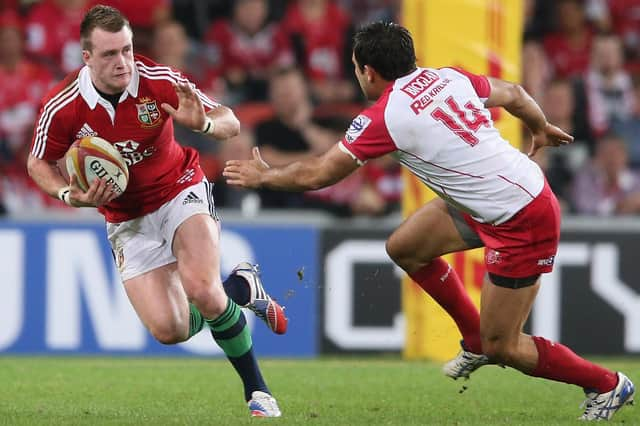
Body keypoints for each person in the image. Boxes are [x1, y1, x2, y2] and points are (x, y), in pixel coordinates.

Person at [223, 22, 636, 421]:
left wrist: (266, 177)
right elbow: (514, 93)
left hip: (521, 218)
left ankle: (606, 384)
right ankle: (471, 338)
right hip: (496, 198)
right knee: (405, 248)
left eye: (355, 68)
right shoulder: (448, 77)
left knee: (504, 345)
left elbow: (320, 174)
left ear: (368, 72)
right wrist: (539, 126)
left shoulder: (387, 116)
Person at [26, 5, 286, 417]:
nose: (123, 62)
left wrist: (202, 126)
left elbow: (229, 121)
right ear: (86, 57)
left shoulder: (157, 79)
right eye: (110, 54)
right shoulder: (64, 105)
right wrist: (68, 196)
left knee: (201, 288)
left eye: (127, 50)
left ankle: (257, 391)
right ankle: (241, 289)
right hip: (125, 218)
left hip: (178, 189)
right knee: (169, 329)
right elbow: (38, 162)